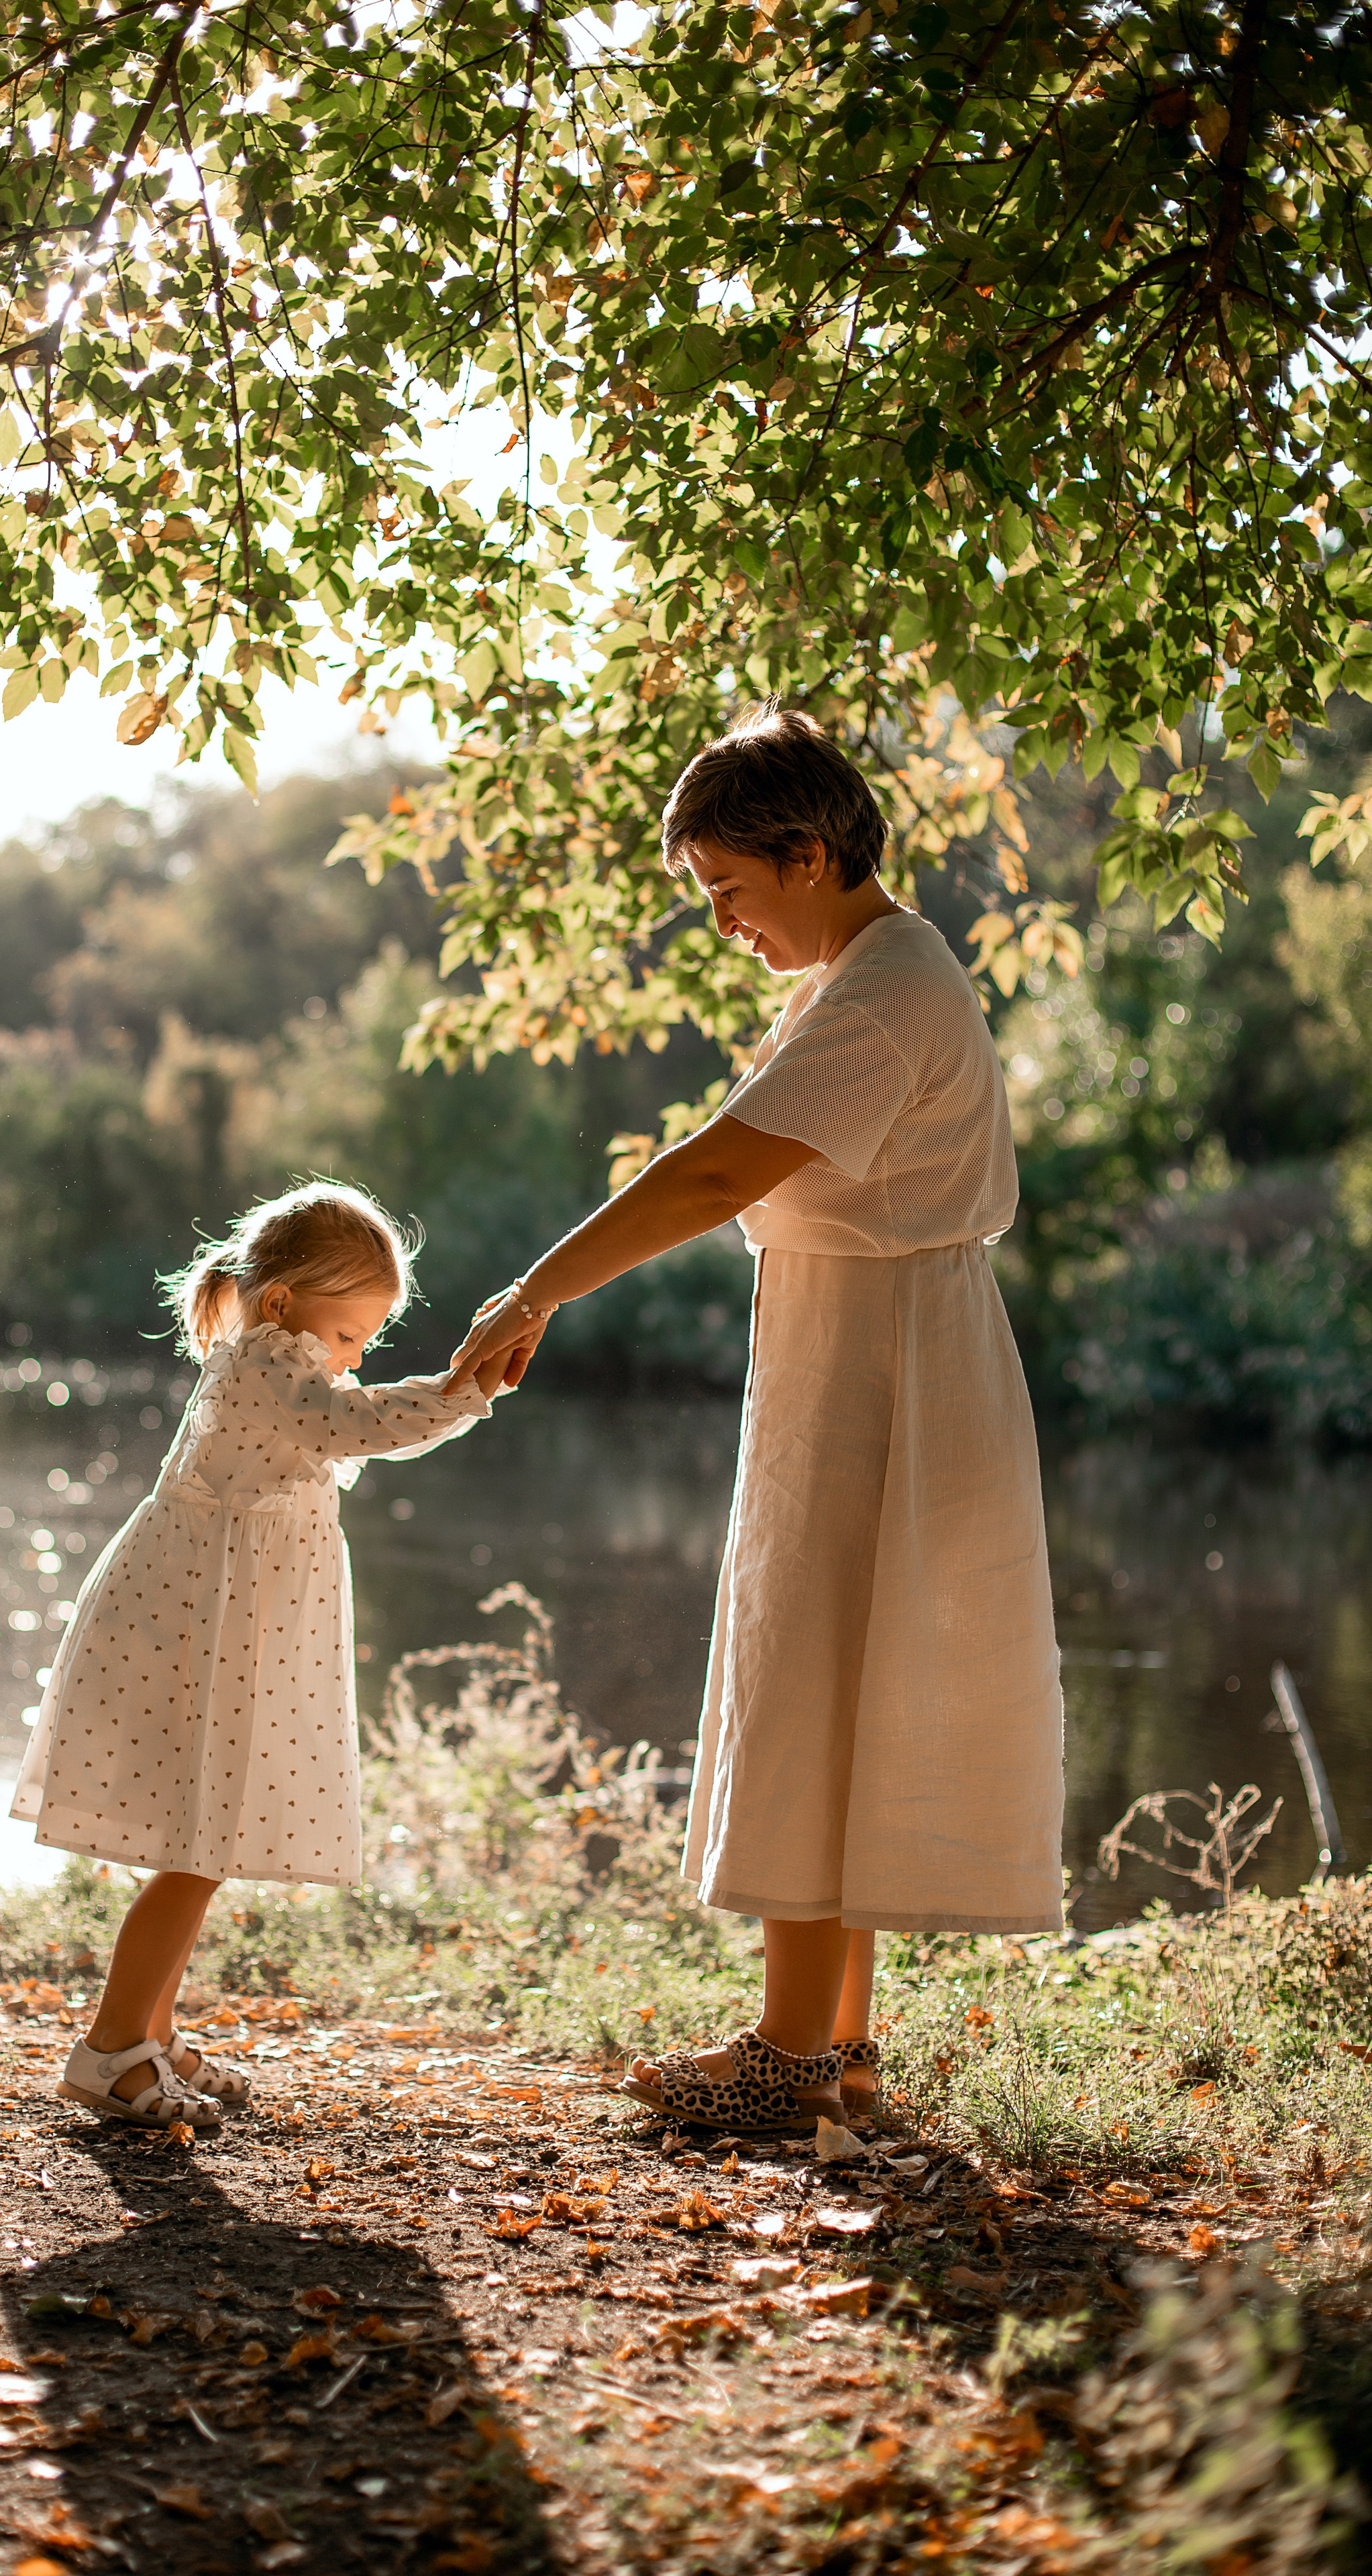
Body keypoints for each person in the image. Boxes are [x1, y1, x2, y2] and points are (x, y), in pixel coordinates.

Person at [447, 706, 1064, 2132]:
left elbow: (710, 1175)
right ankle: (833, 2051)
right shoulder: (866, 976)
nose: (721, 921)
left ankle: (791, 2057)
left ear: (807, 854)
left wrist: (534, 1291)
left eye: (728, 888)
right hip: (869, 1346)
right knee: (838, 1681)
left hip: (881, 1363)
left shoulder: (882, 991)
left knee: (813, 1678)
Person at [12, 1181, 505, 2129]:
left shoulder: (277, 1363)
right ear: (281, 1303)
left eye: (367, 1340)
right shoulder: (265, 1362)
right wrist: (463, 1392)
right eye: (349, 1334)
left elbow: (348, 1418)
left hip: (232, 1624)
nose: (354, 1357)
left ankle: (151, 2035)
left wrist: (453, 1391)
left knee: (201, 1840)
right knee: (197, 1846)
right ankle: (110, 2050)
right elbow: (359, 1426)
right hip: (208, 1625)